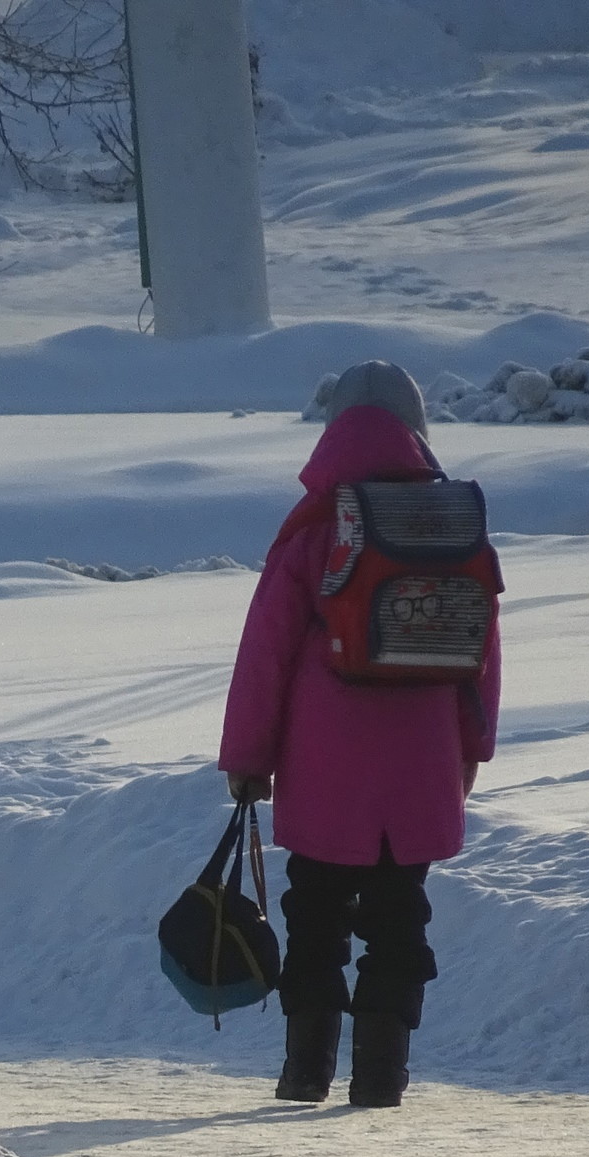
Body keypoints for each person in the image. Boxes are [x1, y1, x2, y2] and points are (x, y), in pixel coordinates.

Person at [218, 361, 502, 1108]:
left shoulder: (316, 532)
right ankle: (382, 1074)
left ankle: (307, 1069)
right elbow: (483, 653)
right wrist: (471, 751)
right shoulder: (451, 528)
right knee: (398, 919)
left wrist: (248, 759)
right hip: (421, 767)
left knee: (314, 917)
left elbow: (265, 655)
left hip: (325, 771)